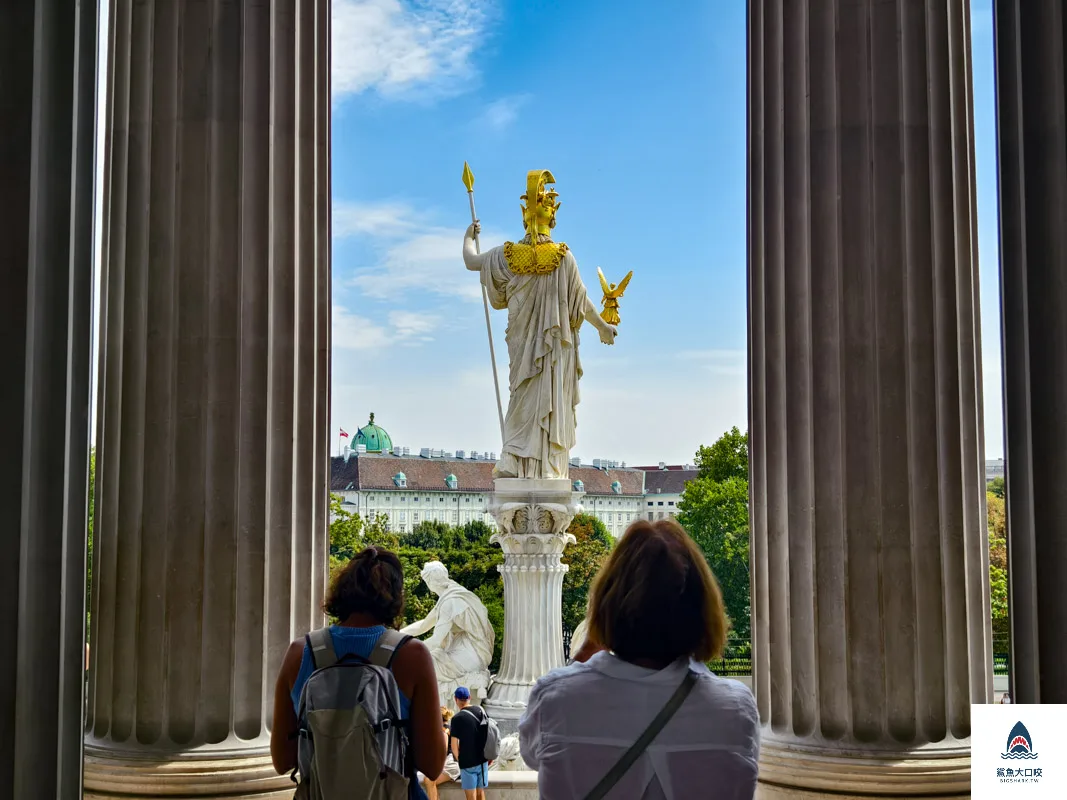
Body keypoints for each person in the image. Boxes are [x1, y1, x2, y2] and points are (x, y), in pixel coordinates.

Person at [519, 518, 760, 799]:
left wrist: (583, 657)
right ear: (702, 610)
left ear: (609, 604)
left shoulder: (556, 700)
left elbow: (532, 755)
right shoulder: (735, 709)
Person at [462, 169, 618, 480]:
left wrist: (468, 236)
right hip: (551, 352)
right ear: (552, 218)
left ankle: (513, 460)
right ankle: (547, 466)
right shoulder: (563, 258)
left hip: (522, 348)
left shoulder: (509, 255)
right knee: (547, 400)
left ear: (525, 217)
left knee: (521, 395)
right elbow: (582, 303)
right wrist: (602, 326)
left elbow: (471, 261)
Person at [270, 546, 445, 798]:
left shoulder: (300, 652)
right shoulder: (412, 655)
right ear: (396, 597)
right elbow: (432, 764)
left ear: (342, 590)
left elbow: (282, 761)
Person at [400, 561, 495, 707]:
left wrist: (404, 651)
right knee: (429, 658)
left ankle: (420, 709)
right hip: (467, 649)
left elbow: (436, 641)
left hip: (470, 655)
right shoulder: (451, 594)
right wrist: (397, 634)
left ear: (431, 581)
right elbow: (424, 625)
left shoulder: (450, 602)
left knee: (422, 662)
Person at [449, 686, 490, 800]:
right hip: (482, 760)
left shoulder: (457, 719)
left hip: (467, 762)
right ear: (469, 698)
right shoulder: (481, 711)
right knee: (481, 794)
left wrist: (460, 760)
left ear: (456, 699)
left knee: (470, 797)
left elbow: (454, 745)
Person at [419, 707, 461, 800]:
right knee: (430, 781)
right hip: (455, 764)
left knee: (429, 780)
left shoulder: (443, 731)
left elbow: (443, 751)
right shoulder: (451, 729)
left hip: (450, 765)